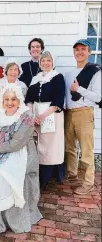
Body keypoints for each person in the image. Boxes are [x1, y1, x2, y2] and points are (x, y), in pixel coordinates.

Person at [0, 84, 42, 233]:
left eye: (13, 99)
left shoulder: (27, 117)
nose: (9, 102)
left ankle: (12, 218)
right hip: (2, 152)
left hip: (22, 153)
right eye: (6, 99)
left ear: (19, 100)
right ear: (2, 101)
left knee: (6, 173)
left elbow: (17, 143)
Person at [64, 39, 101, 195]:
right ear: (74, 53)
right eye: (77, 49)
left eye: (83, 49)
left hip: (85, 113)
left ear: (89, 52)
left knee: (86, 149)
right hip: (69, 114)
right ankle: (72, 176)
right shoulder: (69, 74)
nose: (80, 52)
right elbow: (66, 96)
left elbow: (98, 97)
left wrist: (79, 89)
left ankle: (88, 182)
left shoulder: (95, 71)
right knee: (70, 148)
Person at [25, 51, 65, 190]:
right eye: (43, 61)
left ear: (52, 62)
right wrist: (32, 115)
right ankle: (35, 176)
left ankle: (46, 179)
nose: (45, 63)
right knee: (37, 145)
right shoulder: (35, 78)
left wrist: (42, 116)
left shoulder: (58, 77)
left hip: (51, 114)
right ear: (40, 63)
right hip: (35, 114)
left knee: (49, 147)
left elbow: (58, 100)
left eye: (48, 60)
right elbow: (29, 99)